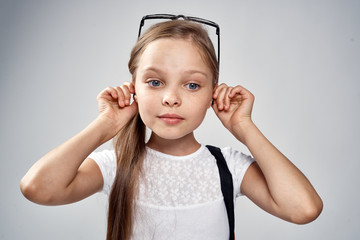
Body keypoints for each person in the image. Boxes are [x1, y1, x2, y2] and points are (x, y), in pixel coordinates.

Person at [20, 14, 323, 240]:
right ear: (133, 87)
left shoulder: (227, 166)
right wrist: (105, 125)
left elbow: (304, 209)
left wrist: (243, 126)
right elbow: (38, 189)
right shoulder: (116, 164)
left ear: (212, 94)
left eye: (192, 85)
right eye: (155, 82)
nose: (171, 99)